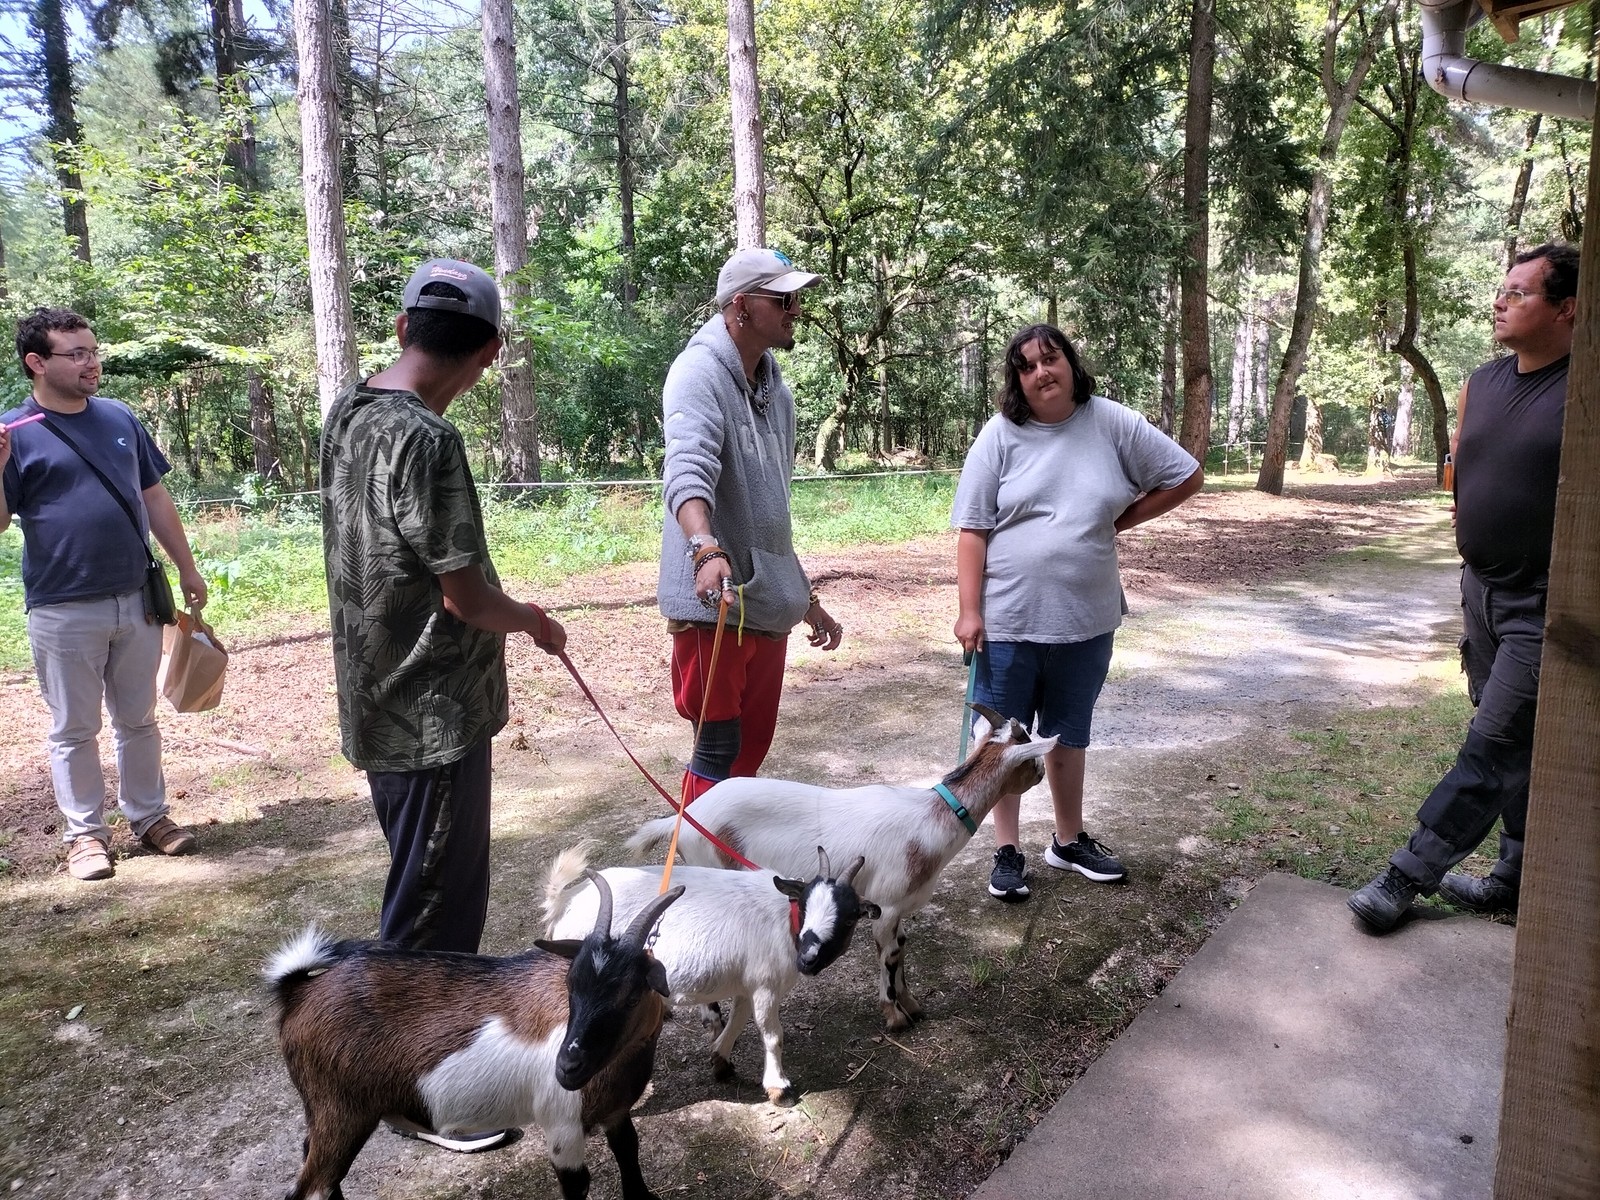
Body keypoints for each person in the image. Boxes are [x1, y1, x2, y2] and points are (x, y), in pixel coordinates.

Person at [320, 258, 565, 1151]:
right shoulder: (426, 439)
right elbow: (464, 594)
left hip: (378, 698)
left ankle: (410, 1070)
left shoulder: (350, 412)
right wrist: (533, 621)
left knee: (420, 887)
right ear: (491, 352)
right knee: (432, 911)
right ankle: (416, 1095)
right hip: (432, 715)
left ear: (399, 328)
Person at [1348, 242, 1578, 932]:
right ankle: (1511, 873)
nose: (1501, 301)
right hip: (1478, 589)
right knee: (1511, 741)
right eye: (1502, 289)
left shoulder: (1585, 389)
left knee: (1492, 741)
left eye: (1521, 292)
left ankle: (1409, 873)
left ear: (1568, 308)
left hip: (1544, 602)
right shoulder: (1483, 380)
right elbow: (1464, 469)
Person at [952, 323, 1203, 903]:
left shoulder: (1111, 422)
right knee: (1003, 742)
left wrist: (1122, 520)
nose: (1042, 372)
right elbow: (972, 530)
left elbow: (1186, 473)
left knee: (1069, 736)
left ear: (1070, 363)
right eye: (1027, 366)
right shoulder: (1000, 436)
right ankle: (1006, 850)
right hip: (1009, 619)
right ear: (1017, 380)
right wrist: (969, 611)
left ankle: (1067, 841)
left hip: (1086, 620)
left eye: (1051, 358)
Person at [0, 308, 206, 882]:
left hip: (136, 597)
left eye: (94, 351)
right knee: (73, 728)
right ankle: (85, 836)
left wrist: (186, 567)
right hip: (62, 606)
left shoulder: (119, 418)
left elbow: (155, 498)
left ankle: (149, 818)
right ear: (36, 363)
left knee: (138, 719)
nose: (92, 362)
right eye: (77, 354)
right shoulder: (13, 432)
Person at [658, 248, 843, 802]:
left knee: (749, 751)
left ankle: (729, 868)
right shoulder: (696, 373)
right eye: (782, 298)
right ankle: (696, 875)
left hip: (767, 603)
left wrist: (805, 597)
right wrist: (704, 549)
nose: (796, 309)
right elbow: (686, 472)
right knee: (717, 747)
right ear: (741, 306)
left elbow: (772, 513)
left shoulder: (777, 392)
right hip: (715, 600)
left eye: (797, 298)